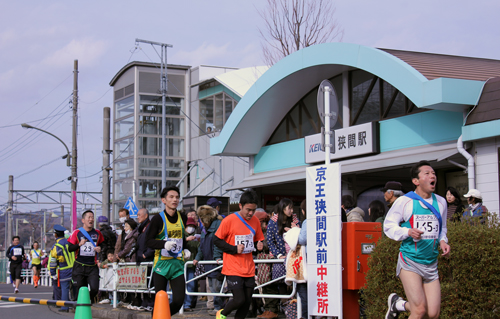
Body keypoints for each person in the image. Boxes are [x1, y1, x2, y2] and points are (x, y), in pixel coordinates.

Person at [384, 160, 450, 319]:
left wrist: (443, 241)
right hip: (410, 261)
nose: (432, 176)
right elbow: (388, 226)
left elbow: (442, 228)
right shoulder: (405, 201)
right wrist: (407, 231)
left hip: (431, 263)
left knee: (433, 314)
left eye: (433, 173)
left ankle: (398, 305)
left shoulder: (441, 202)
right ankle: (400, 305)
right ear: (416, 181)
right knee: (419, 310)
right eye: (427, 173)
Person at [214, 190, 265, 319]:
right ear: (240, 206)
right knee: (239, 300)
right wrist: (234, 249)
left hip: (248, 267)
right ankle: (221, 314)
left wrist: (260, 246)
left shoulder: (255, 221)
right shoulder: (229, 220)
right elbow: (216, 240)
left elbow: (258, 241)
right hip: (233, 267)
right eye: (248, 209)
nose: (250, 213)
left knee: (247, 302)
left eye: (253, 210)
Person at [145, 186, 191, 316]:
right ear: (164, 200)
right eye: (171, 197)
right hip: (161, 265)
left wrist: (186, 248)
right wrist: (164, 244)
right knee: (160, 300)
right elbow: (148, 241)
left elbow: (182, 236)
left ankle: (162, 316)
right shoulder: (157, 219)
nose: (175, 199)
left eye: (177, 197)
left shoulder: (182, 217)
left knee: (179, 300)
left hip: (177, 264)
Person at [67, 210, 105, 302]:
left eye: (92, 217)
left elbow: (103, 245)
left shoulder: (97, 233)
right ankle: (82, 305)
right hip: (79, 266)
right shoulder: (76, 232)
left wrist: (100, 248)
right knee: (80, 290)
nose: (91, 219)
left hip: (92, 266)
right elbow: (70, 248)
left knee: (95, 288)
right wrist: (79, 245)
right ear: (83, 220)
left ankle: (87, 299)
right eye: (89, 217)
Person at [193, 205, 223, 315]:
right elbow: (202, 246)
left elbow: (217, 244)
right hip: (209, 262)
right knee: (212, 286)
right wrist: (197, 258)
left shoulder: (216, 226)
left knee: (216, 286)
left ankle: (219, 307)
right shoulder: (205, 229)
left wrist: (217, 257)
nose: (201, 222)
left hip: (215, 262)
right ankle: (216, 306)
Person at [49, 225, 75, 312]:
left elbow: (53, 261)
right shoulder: (70, 242)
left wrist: (53, 273)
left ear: (56, 235)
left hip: (64, 268)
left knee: (65, 288)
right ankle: (76, 305)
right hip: (75, 267)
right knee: (75, 286)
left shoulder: (56, 246)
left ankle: (65, 307)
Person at [135, 208, 155, 311]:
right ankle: (145, 302)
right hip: (141, 259)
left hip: (147, 258)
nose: (137, 217)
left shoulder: (150, 227)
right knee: (144, 282)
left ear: (146, 216)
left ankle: (151, 303)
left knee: (150, 282)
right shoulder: (141, 228)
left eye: (139, 215)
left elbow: (153, 241)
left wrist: (146, 254)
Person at [184, 217, 201, 312]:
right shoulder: (182, 235)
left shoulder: (196, 237)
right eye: (189, 226)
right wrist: (186, 239)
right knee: (179, 285)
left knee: (191, 285)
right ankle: (177, 303)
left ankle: (187, 305)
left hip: (191, 265)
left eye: (193, 226)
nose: (191, 228)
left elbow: (199, 249)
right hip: (181, 264)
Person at [296, 199, 308, 319]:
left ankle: (305, 316)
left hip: (306, 260)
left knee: (303, 290)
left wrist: (293, 232)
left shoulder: (307, 222)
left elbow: (302, 239)